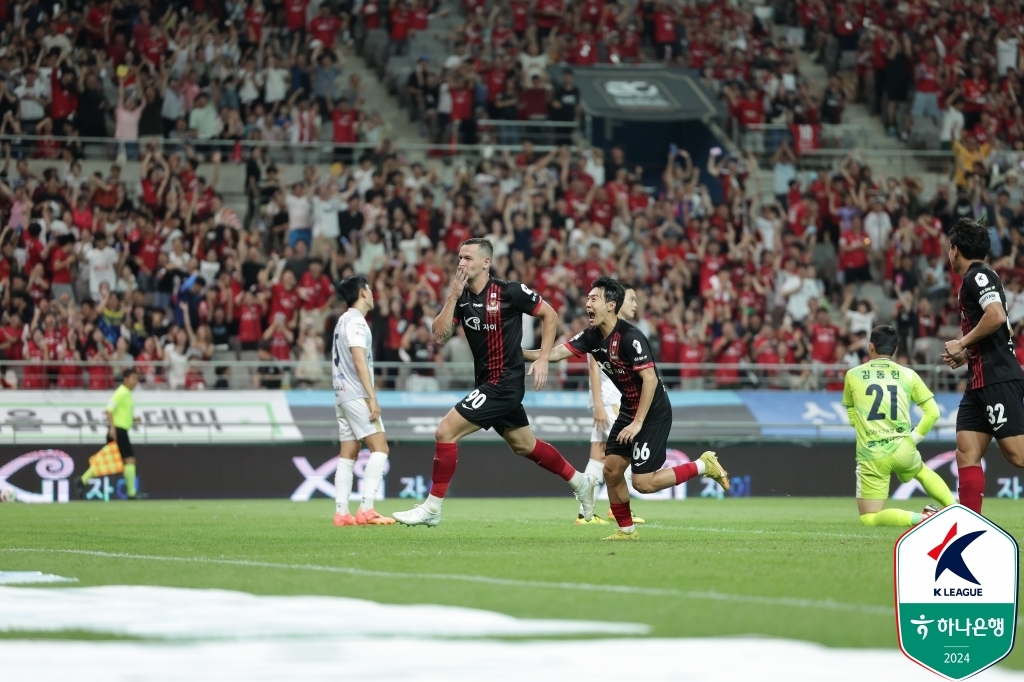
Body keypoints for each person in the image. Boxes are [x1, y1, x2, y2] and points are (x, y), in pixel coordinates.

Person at [392, 238, 597, 527]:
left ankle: (432, 507)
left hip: (505, 384)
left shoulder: (509, 291)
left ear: (486, 263)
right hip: (487, 383)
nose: (461, 263)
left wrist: (542, 358)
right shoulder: (461, 298)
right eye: (460, 257)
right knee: (524, 445)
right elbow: (439, 337)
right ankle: (581, 482)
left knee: (445, 432)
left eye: (468, 258)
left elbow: (549, 315)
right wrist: (452, 296)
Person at [524, 277, 730, 540]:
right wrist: (518, 353)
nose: (587, 303)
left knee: (644, 483)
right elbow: (554, 353)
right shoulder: (591, 336)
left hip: (652, 412)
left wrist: (637, 423)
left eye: (593, 298)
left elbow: (651, 380)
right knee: (611, 469)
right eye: (587, 298)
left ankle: (703, 465)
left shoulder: (631, 337)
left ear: (611, 305)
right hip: (628, 409)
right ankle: (626, 530)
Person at [942, 218, 1024, 514]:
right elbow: (1005, 330)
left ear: (955, 250)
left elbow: (997, 316)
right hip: (978, 381)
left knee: (1018, 455)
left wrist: (962, 343)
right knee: (966, 451)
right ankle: (972, 525)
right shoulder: (981, 278)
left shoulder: (977, 277)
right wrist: (968, 352)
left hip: (996, 377)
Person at [842, 325, 953, 526]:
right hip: (903, 447)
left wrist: (862, 427)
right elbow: (933, 412)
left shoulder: (853, 375)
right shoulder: (908, 375)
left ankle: (923, 519)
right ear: (894, 350)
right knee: (921, 471)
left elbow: (851, 410)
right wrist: (914, 438)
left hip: (872, 451)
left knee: (869, 518)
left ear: (870, 347)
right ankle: (955, 508)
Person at [577, 283, 645, 526]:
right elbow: (593, 368)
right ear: (616, 304)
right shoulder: (600, 333)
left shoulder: (619, 332)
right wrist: (598, 404)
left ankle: (585, 513)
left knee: (598, 454)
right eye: (632, 299)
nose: (635, 304)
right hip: (607, 400)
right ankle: (618, 508)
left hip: (605, 400)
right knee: (623, 449)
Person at [331, 275, 395, 526]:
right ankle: (367, 508)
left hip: (341, 394)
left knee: (349, 452)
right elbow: (359, 360)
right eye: (369, 289)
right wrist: (372, 397)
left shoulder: (342, 320)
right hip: (357, 393)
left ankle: (341, 512)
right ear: (362, 293)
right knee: (381, 448)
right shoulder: (357, 322)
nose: (373, 293)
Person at [75, 369, 141, 500]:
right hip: (118, 431)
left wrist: (133, 420)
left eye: (136, 379)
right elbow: (109, 409)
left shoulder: (126, 393)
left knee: (111, 460)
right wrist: (112, 428)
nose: (135, 382)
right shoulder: (121, 392)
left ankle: (82, 480)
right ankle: (132, 493)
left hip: (121, 430)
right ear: (125, 379)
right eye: (133, 378)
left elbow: (120, 414)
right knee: (129, 460)